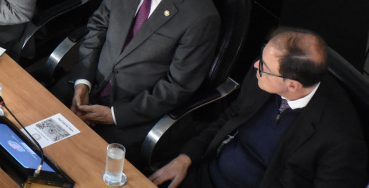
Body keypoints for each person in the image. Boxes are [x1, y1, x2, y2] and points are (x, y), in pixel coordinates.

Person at [53, 0, 219, 157]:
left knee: (81, 162)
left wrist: (114, 115)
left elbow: (176, 87)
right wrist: (82, 82)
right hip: (88, 83)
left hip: (131, 114)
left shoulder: (200, 17)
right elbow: (99, 25)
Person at [150, 28, 368, 188]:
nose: (256, 66)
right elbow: (231, 115)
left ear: (292, 85)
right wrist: (185, 157)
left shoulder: (341, 141)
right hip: (206, 174)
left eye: (263, 67)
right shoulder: (266, 75)